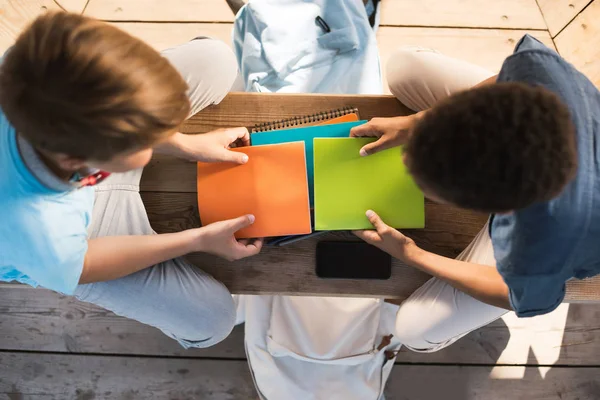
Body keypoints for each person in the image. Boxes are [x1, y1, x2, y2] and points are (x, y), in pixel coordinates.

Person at [0, 12, 264, 349]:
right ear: (80, 162)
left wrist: (183, 144)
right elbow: (87, 263)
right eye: (144, 141)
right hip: (86, 243)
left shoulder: (26, 68)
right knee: (213, 320)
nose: (157, 140)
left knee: (216, 60)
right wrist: (195, 240)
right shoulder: (33, 233)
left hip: (77, 170)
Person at [351, 35, 600, 352]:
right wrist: (414, 124)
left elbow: (513, 293)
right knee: (404, 66)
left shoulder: (543, 244)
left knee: (414, 331)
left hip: (572, 230)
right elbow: (502, 84)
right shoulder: (541, 75)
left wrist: (412, 254)